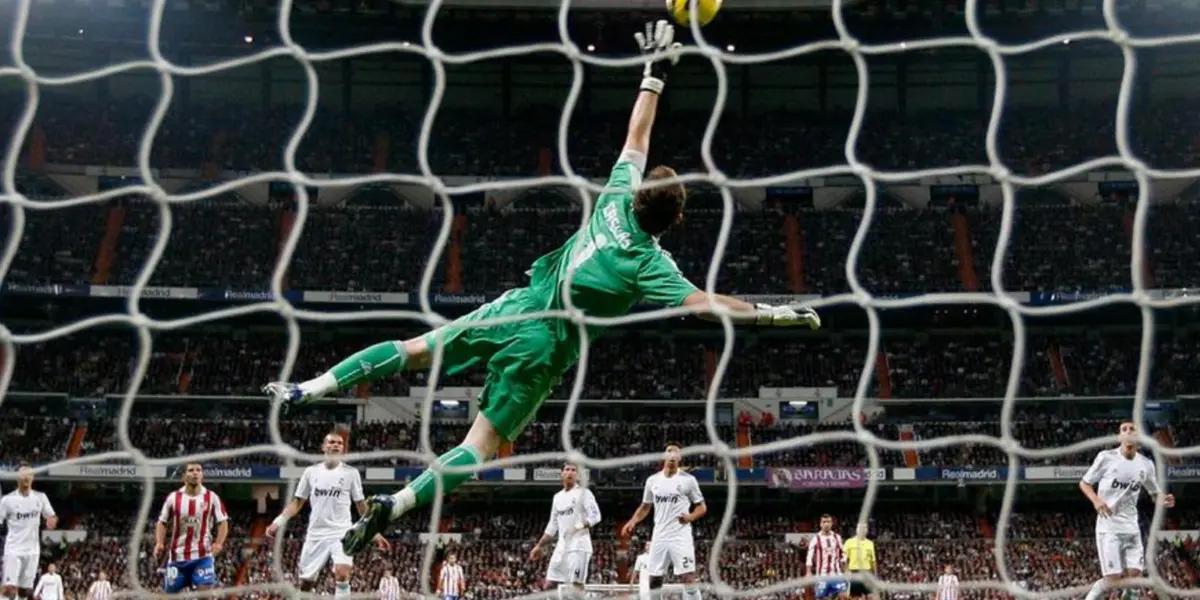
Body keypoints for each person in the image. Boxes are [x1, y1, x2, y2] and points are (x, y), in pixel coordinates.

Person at [263, 18, 818, 556]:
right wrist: (770, 312)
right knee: (479, 445)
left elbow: (637, 135)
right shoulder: (649, 263)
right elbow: (705, 306)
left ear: (639, 193)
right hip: (544, 348)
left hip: (516, 306)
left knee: (413, 349)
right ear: (672, 223)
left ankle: (307, 388)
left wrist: (655, 74)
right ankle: (398, 503)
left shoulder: (616, 196)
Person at [265, 432, 389, 596]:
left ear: (343, 449)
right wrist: (278, 521)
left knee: (342, 574)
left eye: (339, 443)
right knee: (306, 583)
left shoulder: (351, 473)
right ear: (323, 447)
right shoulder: (310, 472)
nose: (335, 445)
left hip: (342, 532)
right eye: (331, 442)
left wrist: (374, 532)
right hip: (316, 533)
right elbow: (297, 502)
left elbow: (361, 506)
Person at [1079, 421, 1175, 600]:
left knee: (1135, 576)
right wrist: (1096, 500)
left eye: (1132, 429)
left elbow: (1154, 493)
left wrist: (1163, 498)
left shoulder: (1146, 464)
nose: (1128, 431)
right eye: (1124, 429)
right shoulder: (1106, 458)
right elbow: (1085, 483)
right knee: (1113, 580)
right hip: (1108, 527)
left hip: (1131, 527)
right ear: (1119, 437)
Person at [621, 444, 706, 600]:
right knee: (654, 580)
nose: (672, 455)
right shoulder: (652, 480)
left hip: (680, 535)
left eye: (676, 453)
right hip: (659, 535)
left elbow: (701, 507)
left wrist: (690, 517)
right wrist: (633, 521)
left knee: (688, 578)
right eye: (669, 452)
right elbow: (645, 506)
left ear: (679, 458)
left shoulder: (688, 480)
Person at [154, 463, 229, 594]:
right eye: (191, 470)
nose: (195, 473)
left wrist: (218, 543)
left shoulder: (212, 497)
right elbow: (162, 522)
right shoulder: (173, 498)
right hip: (177, 558)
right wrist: (159, 542)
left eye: (198, 470)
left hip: (203, 557)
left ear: (202, 475)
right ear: (184, 476)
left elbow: (222, 522)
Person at [530, 463, 602, 594]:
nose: (570, 472)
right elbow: (552, 526)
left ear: (577, 475)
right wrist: (539, 546)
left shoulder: (584, 493)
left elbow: (596, 516)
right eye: (567, 469)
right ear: (562, 474)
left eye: (574, 470)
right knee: (549, 585)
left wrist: (577, 527)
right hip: (561, 547)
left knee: (575, 588)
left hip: (579, 547)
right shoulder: (557, 497)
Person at [1, 465, 58, 600]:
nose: (26, 478)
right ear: (17, 479)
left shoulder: (40, 497)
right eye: (23, 475)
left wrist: (52, 520)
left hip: (32, 551)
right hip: (13, 549)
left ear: (32, 478)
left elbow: (52, 516)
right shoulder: (7, 500)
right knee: (10, 589)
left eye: (28, 475)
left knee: (24, 591)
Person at [806, 514, 848, 600]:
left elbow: (843, 554)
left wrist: (846, 570)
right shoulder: (816, 539)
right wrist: (808, 572)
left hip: (836, 574)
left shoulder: (837, 537)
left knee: (843, 596)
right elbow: (809, 556)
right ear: (820, 524)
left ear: (832, 523)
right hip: (822, 575)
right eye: (824, 522)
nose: (826, 524)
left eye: (828, 522)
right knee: (821, 598)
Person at [842, 522, 876, 599]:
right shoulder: (849, 542)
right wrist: (846, 571)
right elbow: (844, 559)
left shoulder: (870, 543)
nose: (863, 530)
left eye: (865, 528)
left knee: (871, 596)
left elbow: (873, 561)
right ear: (857, 530)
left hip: (867, 572)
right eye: (861, 528)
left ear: (867, 530)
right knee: (855, 597)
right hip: (854, 572)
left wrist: (875, 575)